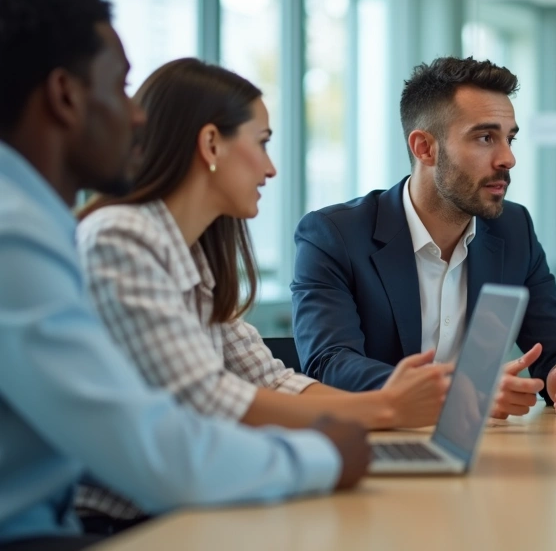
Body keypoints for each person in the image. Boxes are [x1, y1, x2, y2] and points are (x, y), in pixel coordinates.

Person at [0, 0, 369, 551]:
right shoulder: (19, 237)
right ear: (67, 95)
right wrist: (325, 453)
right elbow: (155, 448)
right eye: (120, 87)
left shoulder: (36, 222)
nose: (138, 115)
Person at [73, 58, 453, 528]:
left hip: (186, 508)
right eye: (262, 143)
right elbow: (206, 399)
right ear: (211, 143)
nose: (271, 169)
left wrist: (384, 407)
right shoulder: (121, 238)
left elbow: (267, 380)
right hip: (122, 525)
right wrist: (381, 407)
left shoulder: (194, 254)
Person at [292, 56, 556, 418]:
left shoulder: (514, 230)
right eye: (485, 138)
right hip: (376, 448)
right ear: (424, 148)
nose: (508, 158)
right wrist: (459, 393)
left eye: (509, 139)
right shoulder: (333, 235)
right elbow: (330, 364)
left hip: (483, 455)